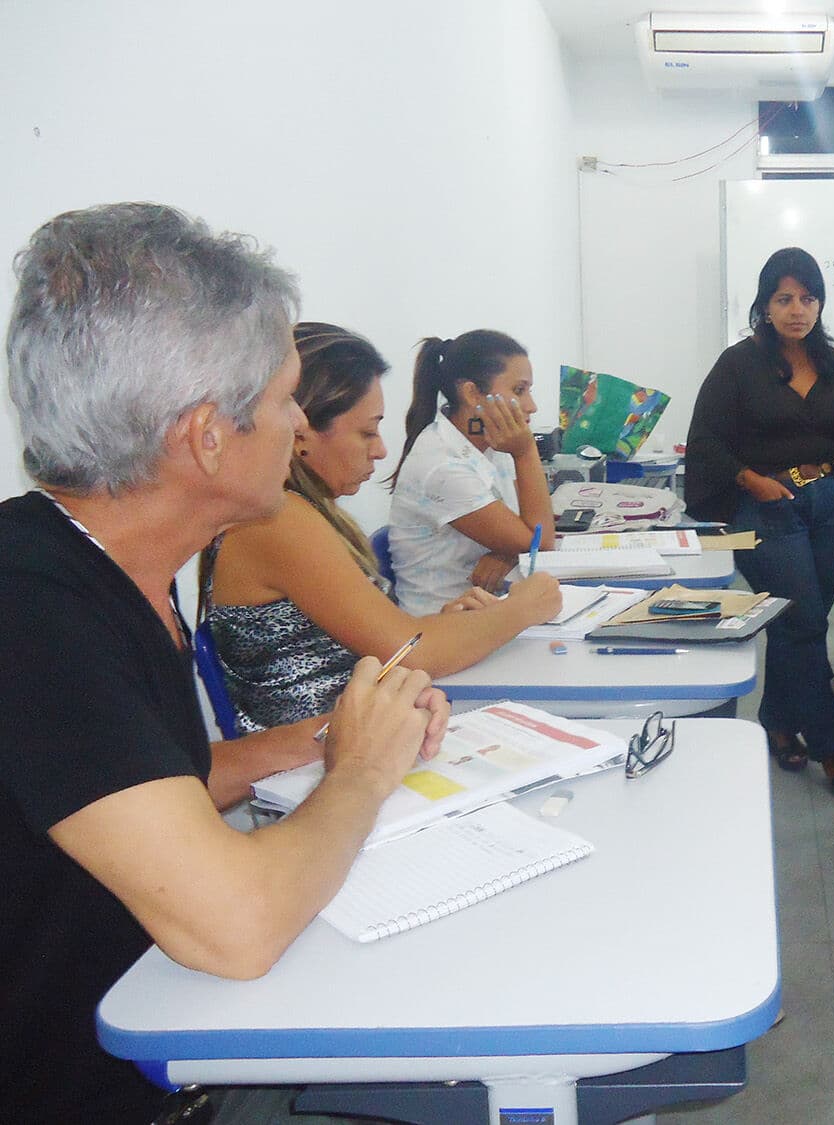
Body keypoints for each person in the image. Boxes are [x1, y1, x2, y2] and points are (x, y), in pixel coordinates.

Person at [0, 202, 451, 1123]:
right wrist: (361, 770)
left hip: (162, 1035)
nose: (297, 425)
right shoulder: (29, 610)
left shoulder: (108, 564)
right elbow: (237, 927)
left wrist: (325, 738)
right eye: (286, 398)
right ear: (208, 436)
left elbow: (136, 785)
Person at [203, 322, 563, 732]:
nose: (381, 450)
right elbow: (411, 655)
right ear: (302, 429)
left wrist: (444, 625)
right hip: (320, 756)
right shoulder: (277, 522)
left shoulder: (302, 514)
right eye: (367, 432)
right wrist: (522, 608)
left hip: (362, 729)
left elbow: (389, 644)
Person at [685, 246, 834, 796]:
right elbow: (704, 441)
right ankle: (831, 743)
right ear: (765, 304)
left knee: (800, 620)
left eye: (808, 297)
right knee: (802, 622)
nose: (798, 309)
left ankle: (776, 719)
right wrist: (751, 480)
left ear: (820, 303)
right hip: (762, 507)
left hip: (828, 506)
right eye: (785, 298)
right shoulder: (737, 364)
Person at [387, 329, 556, 615]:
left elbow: (530, 532)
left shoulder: (492, 440)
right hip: (443, 624)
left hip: (489, 606)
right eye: (519, 390)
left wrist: (509, 552)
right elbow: (542, 544)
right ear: (472, 393)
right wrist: (526, 452)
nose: (531, 406)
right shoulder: (442, 466)